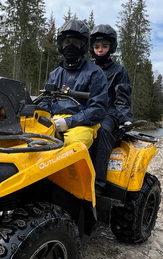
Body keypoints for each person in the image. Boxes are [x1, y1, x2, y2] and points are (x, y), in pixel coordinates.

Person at [46, 19, 109, 150]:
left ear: (83, 46)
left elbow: (98, 109)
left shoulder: (95, 73)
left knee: (75, 147)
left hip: (83, 124)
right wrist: (46, 117)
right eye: (67, 42)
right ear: (61, 45)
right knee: (33, 141)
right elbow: (44, 101)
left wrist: (69, 122)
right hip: (54, 121)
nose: (70, 46)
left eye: (75, 43)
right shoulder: (54, 74)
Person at [89, 24, 133, 196]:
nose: (100, 50)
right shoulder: (87, 69)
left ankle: (98, 183)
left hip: (109, 111)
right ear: (92, 48)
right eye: (97, 46)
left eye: (104, 46)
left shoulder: (119, 71)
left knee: (102, 131)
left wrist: (125, 117)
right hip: (88, 109)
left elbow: (122, 97)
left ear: (111, 48)